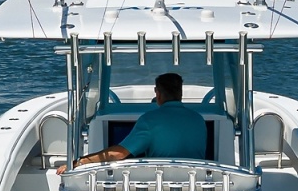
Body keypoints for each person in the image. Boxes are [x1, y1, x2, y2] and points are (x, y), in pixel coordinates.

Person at [58, 72, 207, 173]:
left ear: (158, 93)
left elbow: (118, 154)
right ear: (180, 93)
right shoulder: (198, 120)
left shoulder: (149, 120)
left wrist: (80, 161)